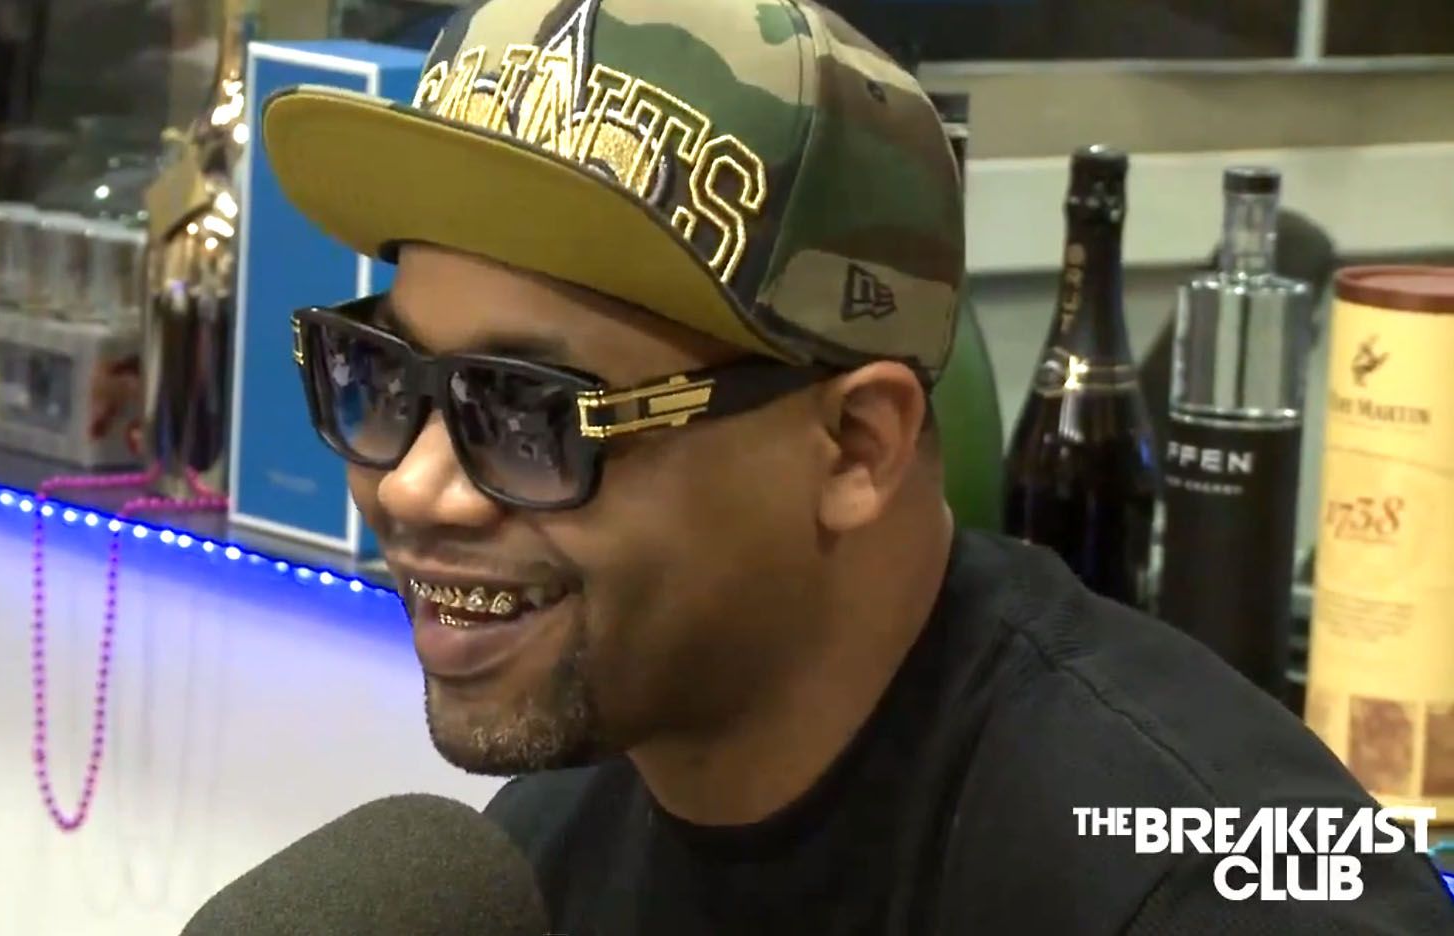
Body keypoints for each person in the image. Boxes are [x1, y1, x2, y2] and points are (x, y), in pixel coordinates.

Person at [257, 0, 1454, 931]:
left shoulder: (1218, 888)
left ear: (856, 447)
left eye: (529, 414)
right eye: (385, 379)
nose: (413, 486)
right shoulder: (542, 858)